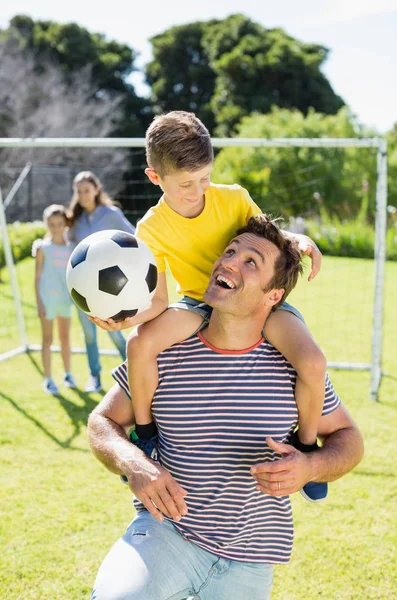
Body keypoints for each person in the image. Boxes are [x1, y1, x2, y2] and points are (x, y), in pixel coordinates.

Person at [88, 215, 364, 600]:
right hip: (167, 533)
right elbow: (101, 422)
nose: (230, 262)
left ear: (273, 297)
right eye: (230, 252)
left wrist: (311, 466)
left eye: (251, 262)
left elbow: (349, 439)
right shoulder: (162, 351)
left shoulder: (294, 366)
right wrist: (135, 464)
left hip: (251, 559)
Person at [93, 111, 327, 501]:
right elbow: (160, 300)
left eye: (204, 177)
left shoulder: (232, 197)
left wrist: (294, 238)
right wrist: (126, 320)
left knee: (314, 363)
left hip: (256, 301)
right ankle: (147, 434)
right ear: (155, 178)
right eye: (185, 184)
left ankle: (304, 445)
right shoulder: (151, 228)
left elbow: (265, 235)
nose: (198, 190)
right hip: (198, 302)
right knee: (138, 344)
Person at [68, 171, 135, 393]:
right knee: (88, 333)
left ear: (96, 190)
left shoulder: (111, 214)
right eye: (78, 191)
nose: (83, 195)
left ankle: (134, 369)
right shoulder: (75, 219)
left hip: (109, 288)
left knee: (114, 331)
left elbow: (133, 237)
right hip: (83, 288)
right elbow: (69, 247)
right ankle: (94, 376)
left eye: (86, 190)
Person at [33, 204, 76, 395]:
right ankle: (48, 379)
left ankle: (68, 374)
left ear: (65, 224)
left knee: (65, 338)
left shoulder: (71, 248)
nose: (56, 227)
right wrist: (39, 303)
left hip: (64, 299)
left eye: (59, 223)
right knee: (47, 339)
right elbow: (37, 277)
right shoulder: (43, 248)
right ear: (47, 225)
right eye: (52, 224)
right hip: (47, 299)